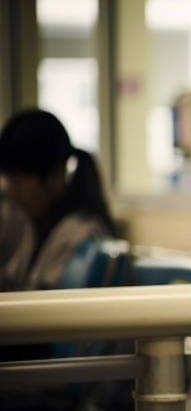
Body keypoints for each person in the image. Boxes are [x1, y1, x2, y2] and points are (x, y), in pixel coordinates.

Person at [0, 109, 115, 291]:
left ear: (55, 177)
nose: (12, 193)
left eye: (18, 182)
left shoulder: (79, 235)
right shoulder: (34, 226)